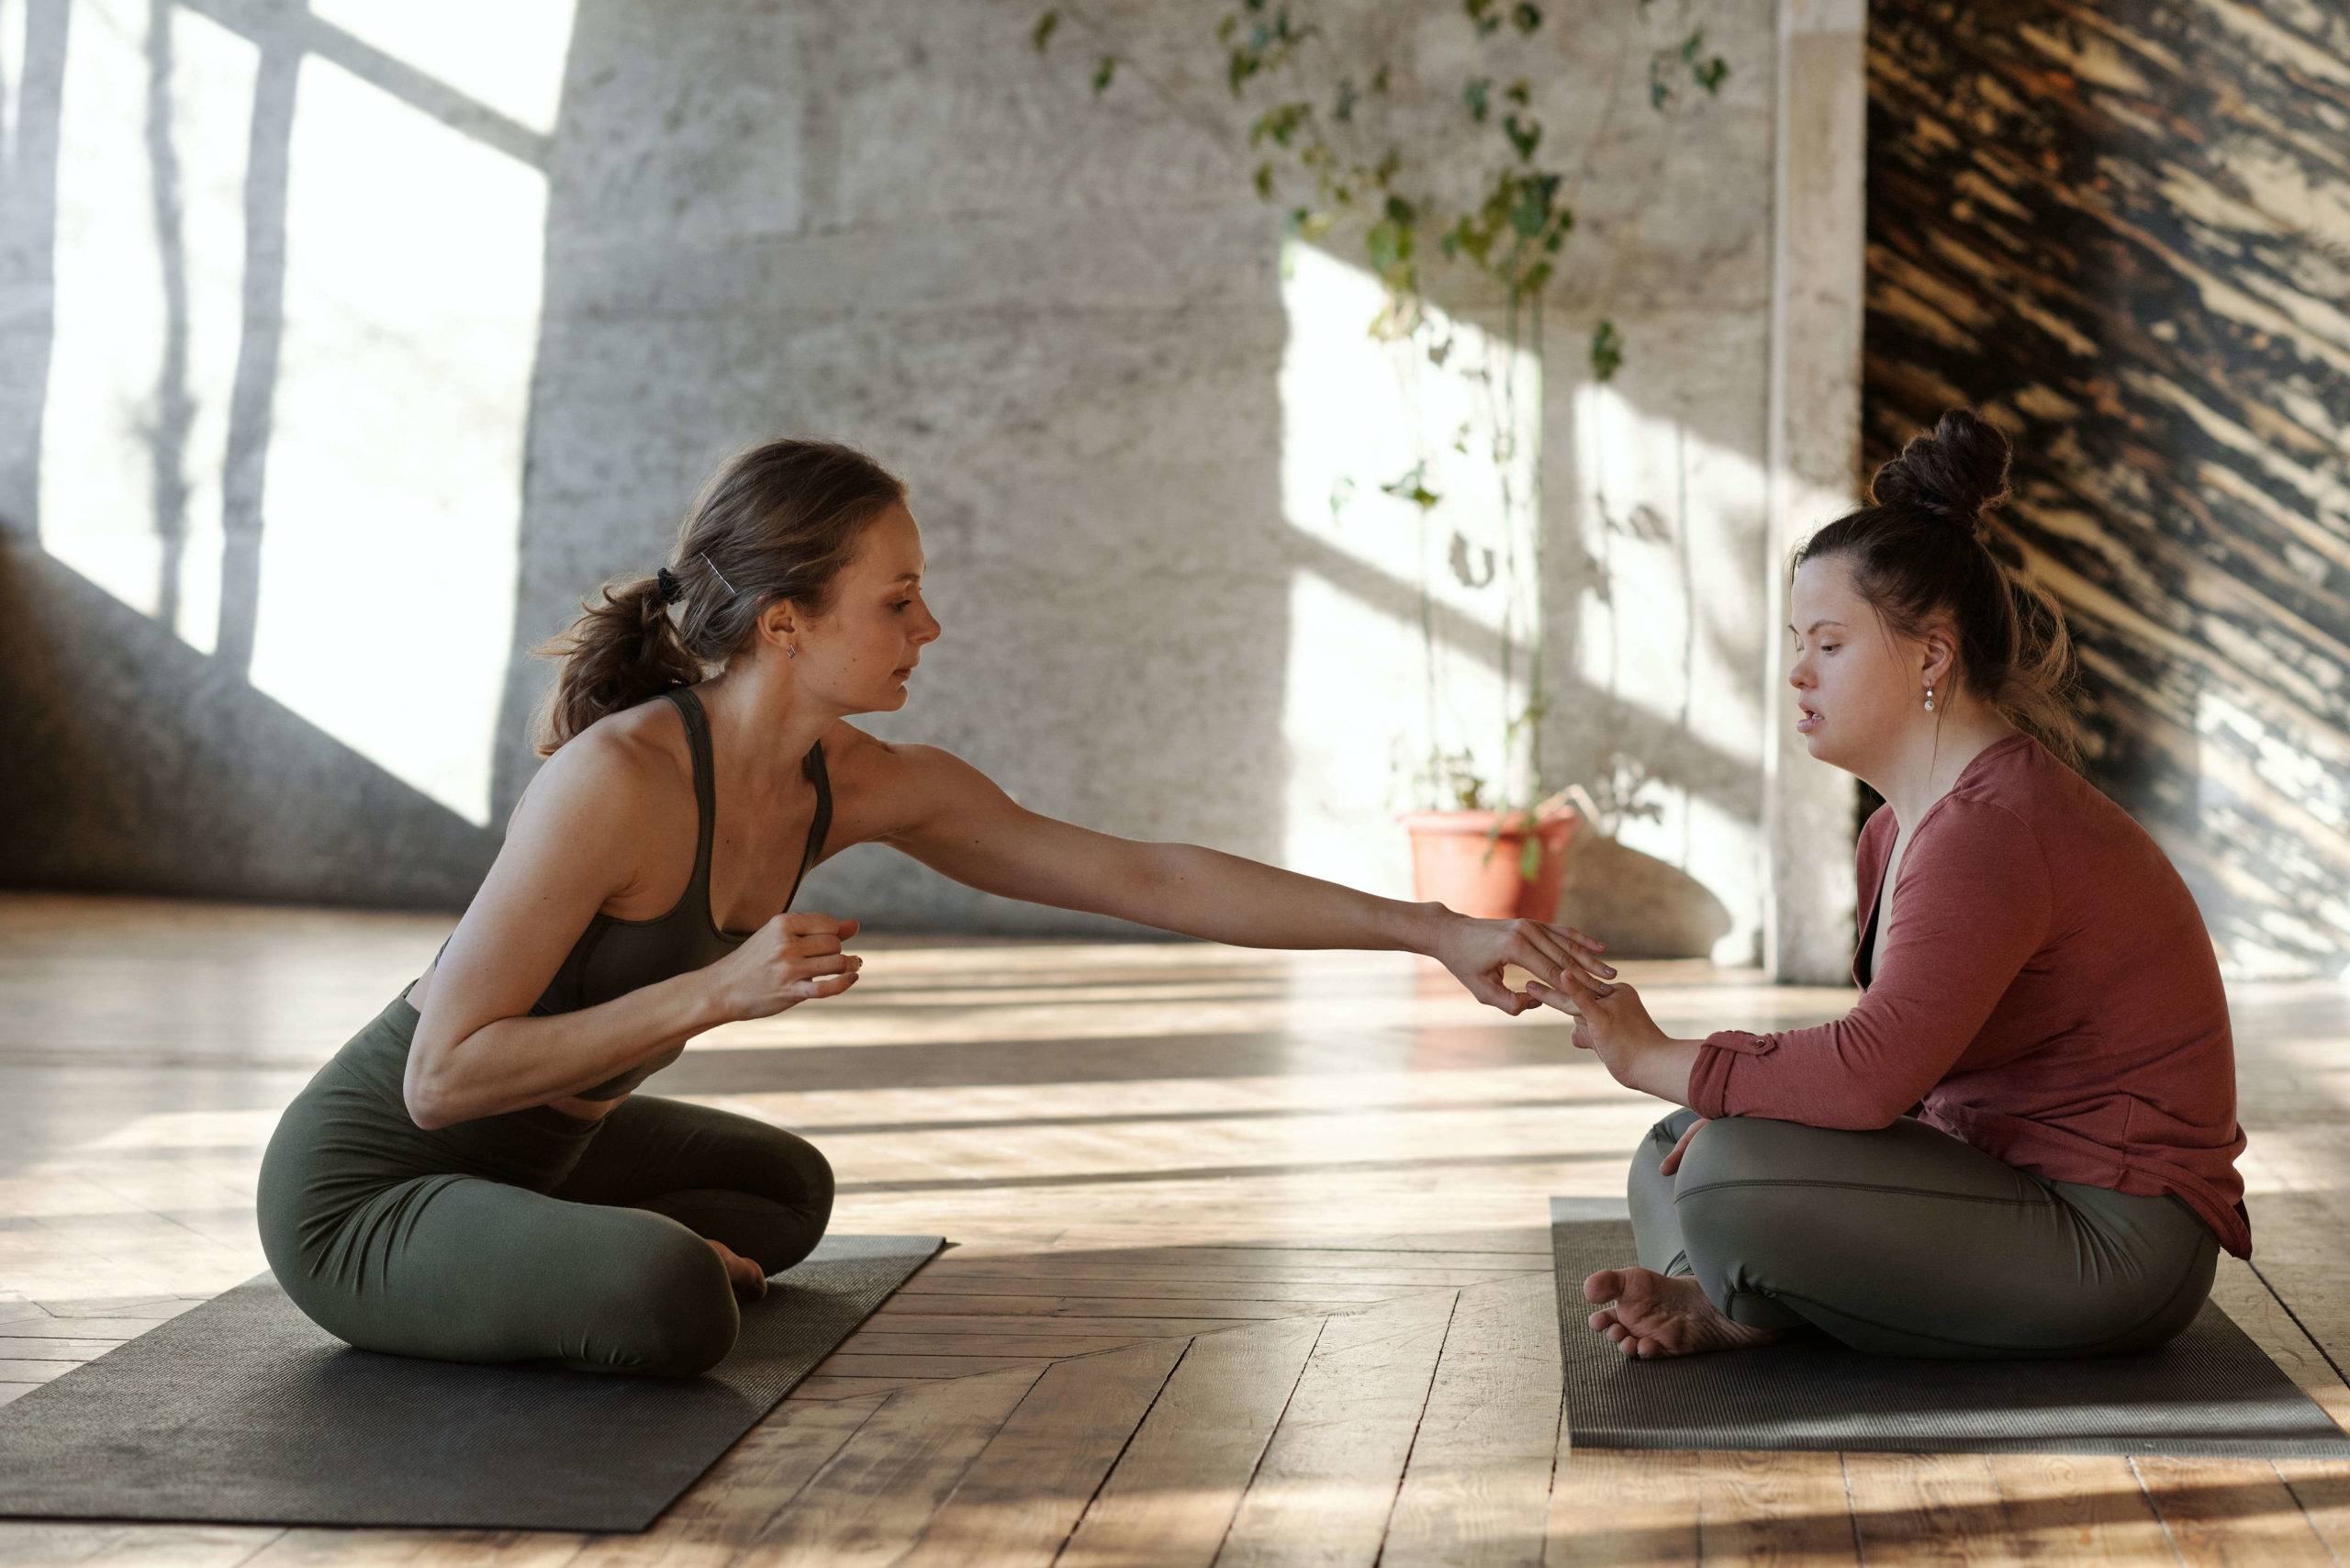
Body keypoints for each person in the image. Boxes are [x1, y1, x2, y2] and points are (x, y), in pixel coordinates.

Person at [255, 437, 1614, 1377]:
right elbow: (441, 1082)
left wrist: (1440, 930)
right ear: (784, 622)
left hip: (547, 1152)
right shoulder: (614, 782)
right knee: (673, 1300)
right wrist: (712, 993)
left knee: (784, 1193)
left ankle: (565, 1255)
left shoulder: (863, 781)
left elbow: (1149, 875)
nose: (929, 628)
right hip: (375, 1187)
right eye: (896, 600)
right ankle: (578, 1268)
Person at [1530, 408, 2251, 1361]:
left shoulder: (1990, 831)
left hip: (2116, 1243)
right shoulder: (1896, 828)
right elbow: (1900, 1076)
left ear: (1930, 655)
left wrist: (1649, 1052)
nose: (1795, 672)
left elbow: (1871, 1076)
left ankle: (1737, 1286)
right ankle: (1721, 1292)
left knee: (1724, 1168)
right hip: (1995, 1181)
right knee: (1680, 1144)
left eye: (1828, 644)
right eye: (1796, 641)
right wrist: (1712, 1095)